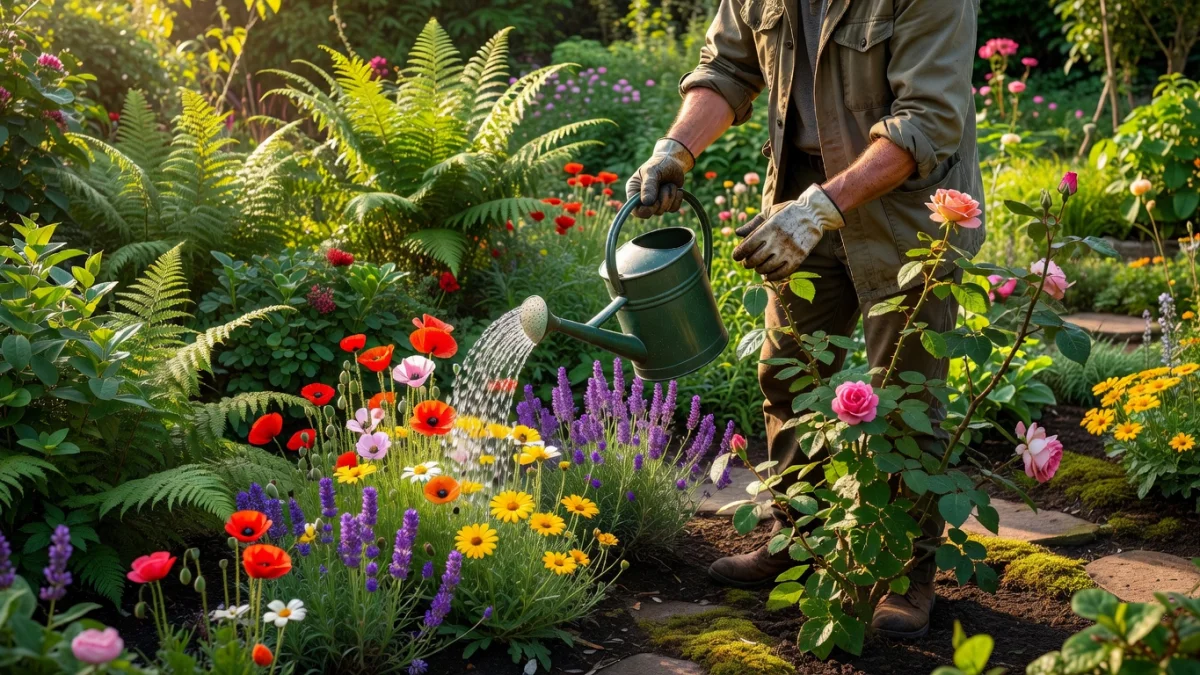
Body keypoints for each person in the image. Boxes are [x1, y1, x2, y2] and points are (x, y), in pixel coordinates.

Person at [626, 0, 985, 640]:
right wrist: (674, 149)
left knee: (904, 392)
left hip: (907, 212)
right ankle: (800, 538)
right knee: (788, 374)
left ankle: (907, 575)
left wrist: (821, 208)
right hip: (797, 194)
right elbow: (728, 67)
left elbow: (928, 121)